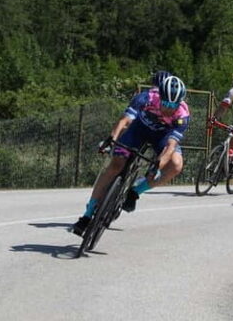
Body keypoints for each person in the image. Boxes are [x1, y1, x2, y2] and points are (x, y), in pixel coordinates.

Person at [71, 75, 190, 236]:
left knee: (176, 164)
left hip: (162, 136)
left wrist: (157, 166)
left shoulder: (183, 114)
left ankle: (135, 192)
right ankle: (87, 215)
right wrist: (111, 140)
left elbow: (170, 146)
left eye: (173, 105)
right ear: (159, 96)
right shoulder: (146, 98)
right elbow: (124, 121)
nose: (169, 108)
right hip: (139, 130)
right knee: (116, 165)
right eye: (166, 103)